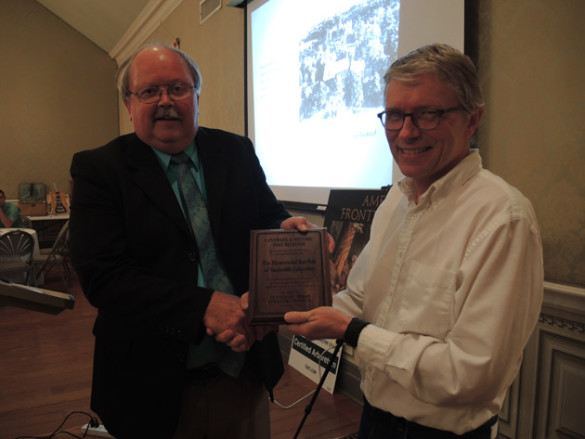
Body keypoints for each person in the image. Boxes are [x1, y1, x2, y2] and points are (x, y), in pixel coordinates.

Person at [283, 44, 544, 438]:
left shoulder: (503, 218)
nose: (406, 132)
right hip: (373, 417)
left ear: (473, 120)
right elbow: (357, 299)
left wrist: (352, 332)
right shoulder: (395, 200)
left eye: (428, 114)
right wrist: (279, 306)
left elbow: (471, 373)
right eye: (395, 116)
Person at [69, 43, 318, 439]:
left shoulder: (236, 150)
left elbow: (268, 214)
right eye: (150, 92)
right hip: (150, 382)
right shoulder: (99, 169)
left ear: (196, 97)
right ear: (129, 105)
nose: (165, 101)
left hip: (243, 369)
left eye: (178, 89)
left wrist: (285, 228)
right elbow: (104, 278)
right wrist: (205, 306)